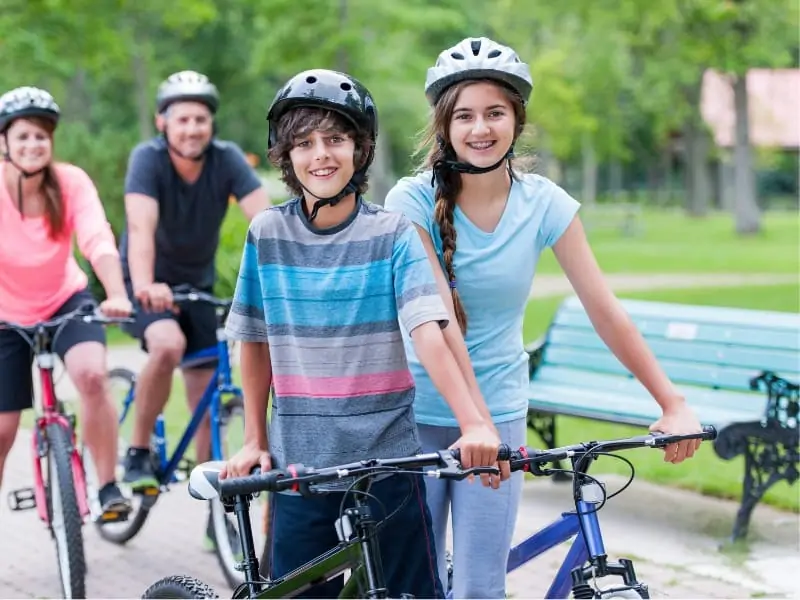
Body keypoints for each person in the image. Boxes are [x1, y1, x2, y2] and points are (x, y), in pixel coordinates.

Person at [384, 36, 705, 599]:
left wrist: (671, 402)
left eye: (494, 113)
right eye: (464, 115)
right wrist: (472, 423)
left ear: (517, 120)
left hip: (500, 413)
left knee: (481, 588)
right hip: (414, 418)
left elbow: (604, 310)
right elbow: (436, 321)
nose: (480, 128)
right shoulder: (410, 202)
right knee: (414, 586)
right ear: (444, 126)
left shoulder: (545, 204)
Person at [220, 68, 502, 599]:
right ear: (285, 155)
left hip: (389, 460)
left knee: (410, 591)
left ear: (360, 149)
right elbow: (253, 341)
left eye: (335, 139)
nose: (320, 154)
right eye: (303, 143)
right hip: (299, 465)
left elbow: (427, 328)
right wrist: (254, 440)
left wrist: (473, 423)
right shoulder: (268, 233)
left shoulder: (389, 231)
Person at [118, 70, 271, 548]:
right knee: (167, 344)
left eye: (200, 119)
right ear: (163, 123)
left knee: (209, 390)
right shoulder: (147, 160)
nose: (192, 128)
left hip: (198, 286)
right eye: (181, 118)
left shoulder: (226, 161)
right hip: (147, 282)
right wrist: (144, 284)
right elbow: (140, 229)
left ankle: (215, 513)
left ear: (211, 124)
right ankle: (139, 452)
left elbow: (266, 220)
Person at [0, 86, 134, 520]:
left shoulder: (70, 181)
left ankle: (108, 485)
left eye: (41, 135)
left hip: (65, 301)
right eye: (22, 136)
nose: (33, 144)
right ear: (4, 142)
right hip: (5, 315)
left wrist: (116, 292)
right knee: (2, 429)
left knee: (92, 375)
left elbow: (97, 238)